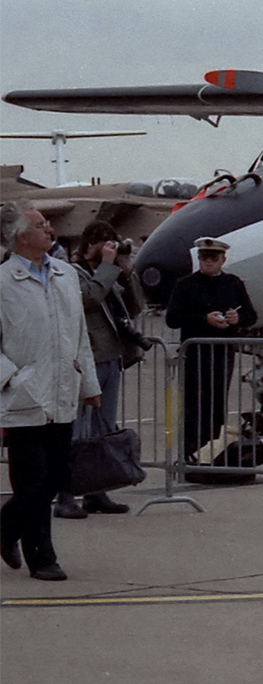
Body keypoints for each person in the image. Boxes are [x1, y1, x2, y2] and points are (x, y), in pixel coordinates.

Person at [0, 202, 102, 581]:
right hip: (25, 395)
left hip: (62, 392)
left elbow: (79, 336)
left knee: (57, 475)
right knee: (32, 479)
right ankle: (42, 556)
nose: (49, 230)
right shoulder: (3, 282)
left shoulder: (65, 275)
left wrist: (88, 384)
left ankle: (7, 527)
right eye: (41, 226)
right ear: (20, 237)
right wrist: (12, 376)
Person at [57, 221, 150, 517]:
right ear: (92, 243)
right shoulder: (72, 272)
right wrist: (108, 267)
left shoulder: (106, 273)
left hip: (111, 358)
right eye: (107, 243)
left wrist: (126, 271)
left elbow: (135, 307)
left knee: (103, 431)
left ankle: (97, 492)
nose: (111, 249)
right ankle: (66, 496)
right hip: (88, 360)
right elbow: (89, 299)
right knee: (78, 433)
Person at [165, 237, 257, 465]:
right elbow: (173, 318)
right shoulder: (185, 284)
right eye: (204, 257)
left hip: (222, 353)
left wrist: (238, 319)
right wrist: (203, 319)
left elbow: (251, 315)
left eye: (213, 258)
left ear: (222, 260)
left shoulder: (233, 284)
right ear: (199, 259)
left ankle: (214, 453)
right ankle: (189, 454)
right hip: (195, 353)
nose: (208, 262)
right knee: (194, 405)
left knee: (217, 404)